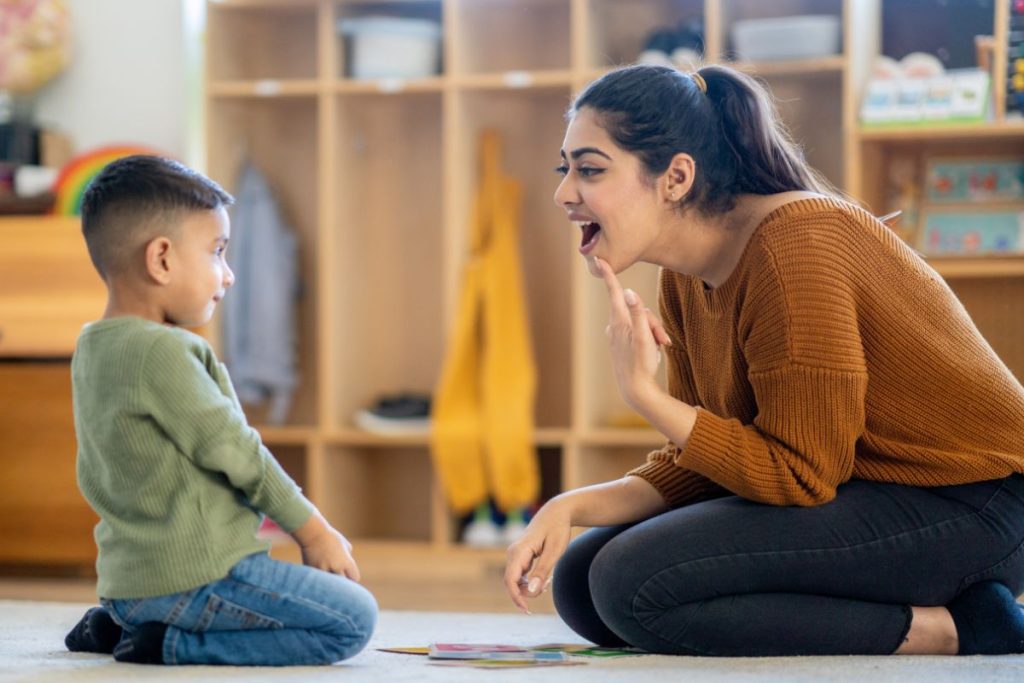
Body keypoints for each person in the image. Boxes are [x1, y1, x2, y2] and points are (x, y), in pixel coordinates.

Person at [504, 64, 1024, 657]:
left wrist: (644, 395)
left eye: (590, 169)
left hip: (975, 508)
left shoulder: (795, 246)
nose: (564, 192)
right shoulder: (684, 279)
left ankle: (963, 629)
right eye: (565, 169)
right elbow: (712, 462)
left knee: (631, 582)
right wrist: (568, 506)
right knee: (581, 581)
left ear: (675, 177)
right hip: (867, 493)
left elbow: (801, 473)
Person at [63, 155, 377, 666]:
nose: (228, 276)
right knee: (352, 621)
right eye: (217, 252)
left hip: (125, 582)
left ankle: (120, 623)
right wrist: (314, 531)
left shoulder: (94, 346)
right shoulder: (163, 351)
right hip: (197, 578)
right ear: (161, 259)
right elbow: (241, 452)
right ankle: (170, 643)